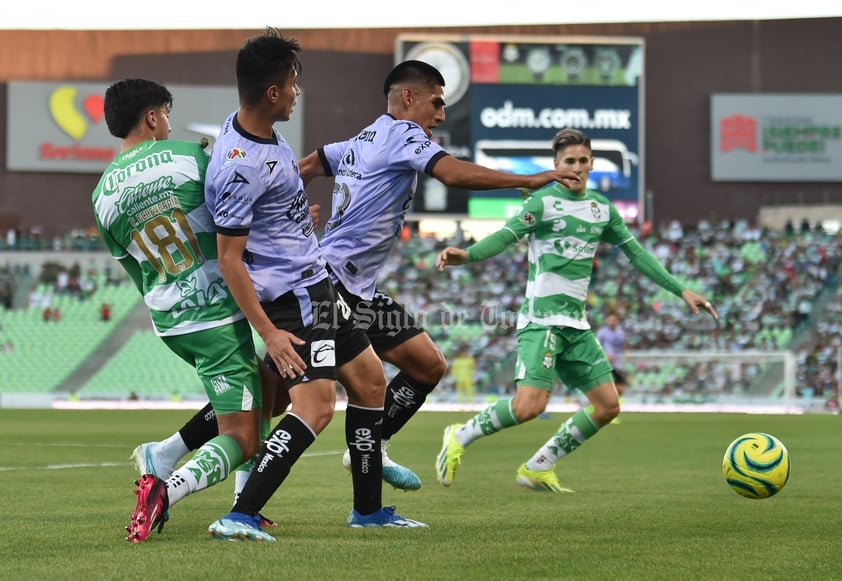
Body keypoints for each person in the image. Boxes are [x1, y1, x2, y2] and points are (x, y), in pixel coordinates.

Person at [298, 59, 581, 486]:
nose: (442, 114)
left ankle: (373, 447)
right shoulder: (403, 134)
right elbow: (451, 173)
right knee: (284, 398)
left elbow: (303, 169)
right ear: (408, 98)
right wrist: (530, 178)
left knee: (427, 364)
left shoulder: (362, 139)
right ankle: (184, 462)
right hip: (333, 288)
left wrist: (288, 217)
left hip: (355, 289)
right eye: (436, 102)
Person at [204, 28, 426, 541]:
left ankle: (367, 511)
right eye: (294, 83)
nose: (299, 91)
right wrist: (270, 333)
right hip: (295, 298)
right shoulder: (242, 166)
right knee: (315, 405)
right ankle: (240, 513)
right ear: (273, 92)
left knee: (371, 382)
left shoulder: (260, 138)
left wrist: (293, 215)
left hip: (317, 284)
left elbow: (264, 219)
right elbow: (230, 260)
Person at [434, 128, 719, 492]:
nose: (577, 167)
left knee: (607, 406)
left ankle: (539, 465)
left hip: (576, 326)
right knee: (528, 407)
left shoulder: (601, 209)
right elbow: (505, 236)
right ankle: (460, 435)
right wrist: (468, 255)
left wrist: (681, 290)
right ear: (556, 166)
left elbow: (637, 254)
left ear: (592, 164)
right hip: (542, 323)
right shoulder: (541, 202)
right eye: (569, 161)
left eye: (583, 160)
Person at [92, 78, 271, 543]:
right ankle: (165, 491)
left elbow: (137, 274)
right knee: (242, 436)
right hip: (213, 309)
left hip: (171, 319)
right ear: (152, 117)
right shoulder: (189, 157)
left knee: (257, 393)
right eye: (166, 114)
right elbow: (231, 217)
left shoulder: (102, 195)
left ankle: (243, 506)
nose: (168, 123)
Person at [595, 311, 629, 396]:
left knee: (620, 387)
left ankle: (614, 404)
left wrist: (626, 354)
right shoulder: (602, 333)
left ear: (617, 321)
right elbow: (596, 347)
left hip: (618, 364)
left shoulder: (620, 333)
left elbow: (623, 344)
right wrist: (604, 356)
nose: (612, 322)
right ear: (607, 321)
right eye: (610, 320)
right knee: (606, 387)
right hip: (606, 364)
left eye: (614, 320)